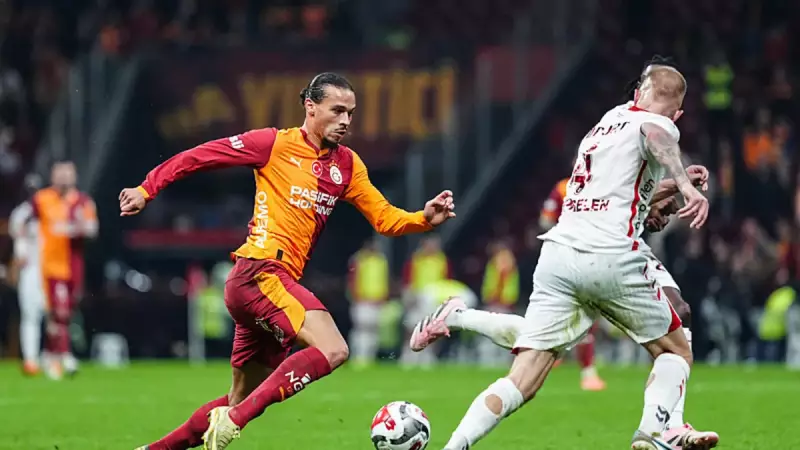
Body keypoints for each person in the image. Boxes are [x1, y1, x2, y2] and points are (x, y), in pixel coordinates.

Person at [122, 72, 456, 450]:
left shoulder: (347, 165)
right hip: (260, 273)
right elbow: (201, 156)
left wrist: (423, 219)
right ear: (310, 107)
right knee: (334, 349)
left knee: (239, 399)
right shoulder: (273, 144)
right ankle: (235, 421)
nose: (346, 121)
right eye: (337, 111)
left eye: (351, 113)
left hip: (268, 286)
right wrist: (147, 188)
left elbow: (384, 218)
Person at [412, 59, 719, 450]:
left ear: (637, 92)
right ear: (677, 114)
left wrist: (674, 186)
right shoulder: (658, 123)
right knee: (675, 350)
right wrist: (685, 186)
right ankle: (656, 431)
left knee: (522, 378)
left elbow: (622, 193)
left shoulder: (606, 124)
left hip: (559, 257)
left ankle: (454, 439)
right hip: (610, 254)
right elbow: (656, 133)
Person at [30, 162, 98, 379]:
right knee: (58, 312)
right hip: (51, 265)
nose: (63, 178)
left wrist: (73, 229)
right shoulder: (42, 199)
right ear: (52, 176)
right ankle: (66, 355)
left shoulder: (83, 202)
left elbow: (92, 229)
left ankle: (50, 354)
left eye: (67, 174)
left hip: (74, 264)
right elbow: (25, 223)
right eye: (59, 174)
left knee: (67, 312)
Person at [539, 175, 606, 390]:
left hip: (562, 255)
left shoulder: (563, 187)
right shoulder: (603, 185)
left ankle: (550, 357)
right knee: (587, 312)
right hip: (589, 256)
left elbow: (545, 220)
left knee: (557, 311)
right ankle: (587, 373)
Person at [8, 174, 45, 376]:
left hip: (51, 266)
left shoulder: (51, 209)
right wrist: (15, 267)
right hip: (30, 268)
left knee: (55, 315)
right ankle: (31, 359)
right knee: (30, 314)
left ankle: (53, 356)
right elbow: (19, 244)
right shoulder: (21, 214)